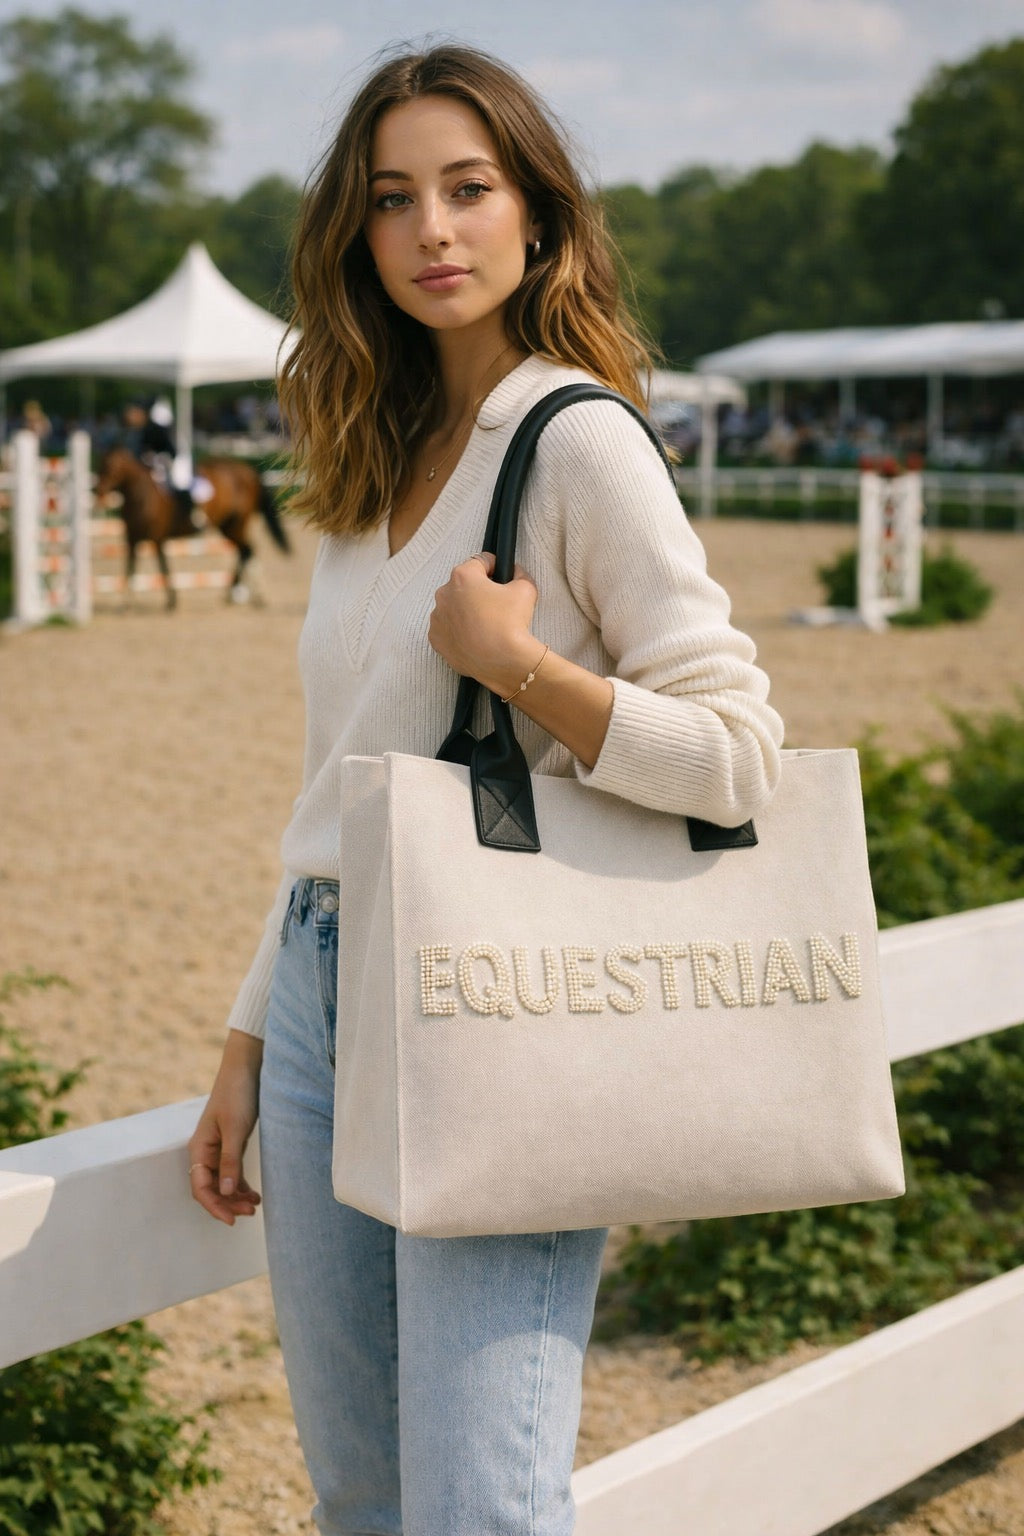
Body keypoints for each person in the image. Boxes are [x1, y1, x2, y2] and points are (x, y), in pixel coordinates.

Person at [188, 43, 783, 1536]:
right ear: (355, 235)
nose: (433, 231)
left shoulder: (578, 440)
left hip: (492, 991)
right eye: (394, 200)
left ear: (539, 218)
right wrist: (255, 1030)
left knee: (477, 1505)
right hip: (328, 985)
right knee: (367, 1494)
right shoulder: (363, 459)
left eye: (469, 189)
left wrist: (521, 672)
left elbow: (737, 754)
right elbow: (332, 784)